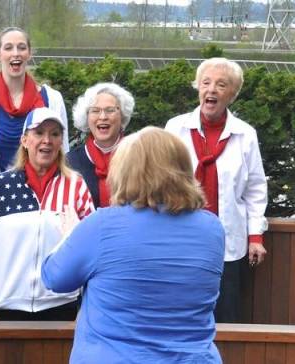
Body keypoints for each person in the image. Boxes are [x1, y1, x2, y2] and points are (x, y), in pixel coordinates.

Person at [42, 127, 223, 363]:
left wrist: (69, 236)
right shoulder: (212, 229)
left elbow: (54, 278)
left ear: (125, 171)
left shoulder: (102, 225)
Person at [163, 57, 268, 323]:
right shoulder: (174, 128)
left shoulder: (245, 134)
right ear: (197, 87)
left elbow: (255, 189)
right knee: (181, 315)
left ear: (232, 94)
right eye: (206, 83)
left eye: (221, 85)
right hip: (181, 243)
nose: (211, 90)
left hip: (227, 246)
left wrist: (255, 236)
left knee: (226, 316)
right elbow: (160, 180)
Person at [0, 107, 93, 322]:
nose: (47, 140)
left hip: (61, 304)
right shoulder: (1, 185)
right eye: (39, 133)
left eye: (54, 134)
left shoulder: (76, 185)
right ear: (24, 140)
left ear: (61, 142)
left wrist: (87, 302)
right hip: (4, 306)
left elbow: (90, 249)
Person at [0, 27, 68, 171]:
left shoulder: (53, 99)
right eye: (8, 48)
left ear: (29, 53)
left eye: (21, 48)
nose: (16, 53)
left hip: (41, 183)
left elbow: (63, 153)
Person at [66, 83, 135, 208]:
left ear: (122, 115)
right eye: (95, 111)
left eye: (110, 110)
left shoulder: (138, 157)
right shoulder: (70, 162)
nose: (103, 117)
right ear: (86, 117)